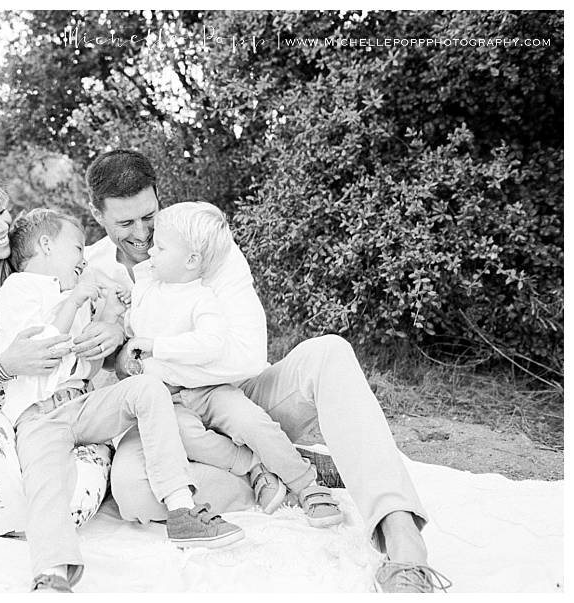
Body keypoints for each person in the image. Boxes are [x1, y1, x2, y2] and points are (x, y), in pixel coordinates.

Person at [83, 149, 451, 593]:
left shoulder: (203, 246)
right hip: (162, 418)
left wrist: (141, 357)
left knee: (329, 352)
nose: (143, 236)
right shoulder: (89, 267)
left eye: (150, 217)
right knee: (134, 493)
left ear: (160, 198)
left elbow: (244, 354)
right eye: (126, 224)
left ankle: (402, 540)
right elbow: (92, 364)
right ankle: (280, 464)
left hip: (237, 397)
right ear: (97, 214)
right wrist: (116, 356)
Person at [0, 207, 244, 592]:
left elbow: (87, 368)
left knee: (148, 387)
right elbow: (42, 350)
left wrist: (111, 311)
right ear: (45, 245)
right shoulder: (20, 289)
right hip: (38, 415)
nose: (82, 259)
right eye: (76, 248)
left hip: (81, 403)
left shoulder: (67, 295)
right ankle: (54, 571)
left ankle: (181, 508)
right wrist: (76, 300)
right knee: (46, 480)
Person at [118, 200, 342, 526]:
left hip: (211, 389)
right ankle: (254, 465)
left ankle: (306, 483)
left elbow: (210, 344)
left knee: (252, 422)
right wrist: (127, 311)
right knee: (186, 436)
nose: (151, 252)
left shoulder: (202, 298)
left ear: (192, 260)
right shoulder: (149, 284)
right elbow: (136, 322)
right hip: (168, 397)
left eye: (161, 247)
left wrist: (157, 346)